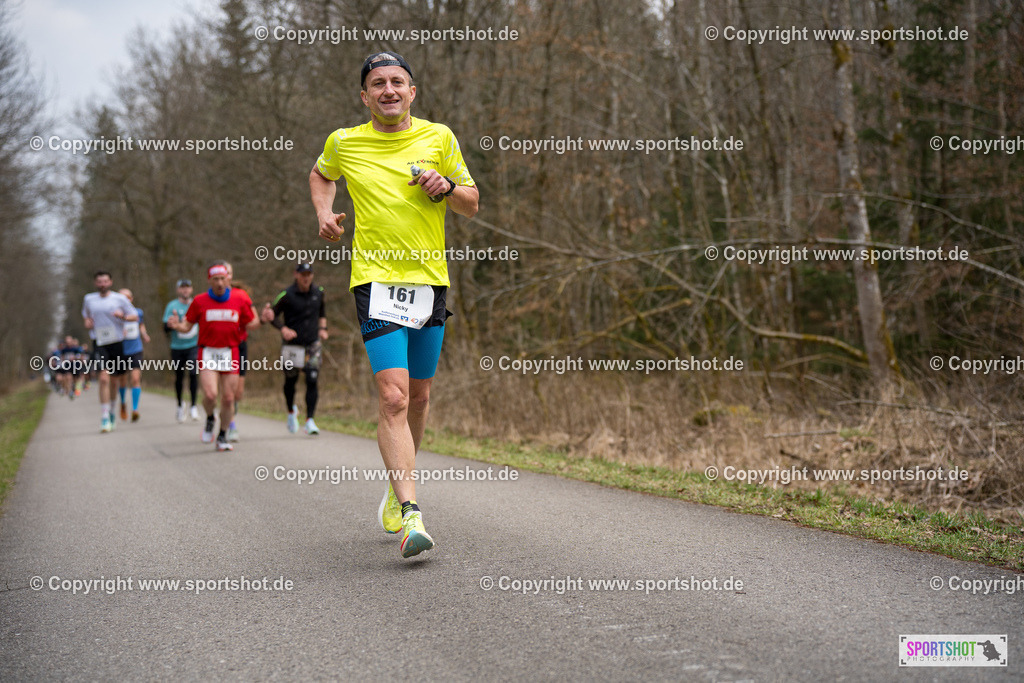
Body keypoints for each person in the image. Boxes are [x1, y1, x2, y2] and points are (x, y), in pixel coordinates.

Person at [309, 52, 478, 558]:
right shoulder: (345, 142)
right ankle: (411, 513)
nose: (388, 90)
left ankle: (395, 482)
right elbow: (321, 174)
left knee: (420, 397)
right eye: (378, 83)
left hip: (428, 281)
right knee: (394, 397)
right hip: (375, 281)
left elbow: (472, 203)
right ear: (364, 96)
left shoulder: (439, 138)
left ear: (412, 91)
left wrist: (447, 187)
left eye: (397, 82)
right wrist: (324, 212)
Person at [167, 261, 257, 451]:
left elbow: (251, 323)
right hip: (207, 351)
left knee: (228, 398)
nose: (220, 283)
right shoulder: (199, 301)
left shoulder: (239, 298)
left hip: (230, 352)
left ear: (228, 279)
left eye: (223, 278)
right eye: (215, 279)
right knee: (210, 394)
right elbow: (187, 327)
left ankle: (222, 435)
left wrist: (264, 319)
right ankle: (210, 418)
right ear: (209, 280)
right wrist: (176, 325)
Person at [260, 262, 328, 436]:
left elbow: (322, 313)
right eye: (303, 274)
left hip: (312, 344)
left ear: (312, 275)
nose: (306, 278)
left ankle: (310, 420)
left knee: (312, 379)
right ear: (296, 275)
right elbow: (272, 316)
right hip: (292, 345)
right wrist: (283, 329)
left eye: (309, 274)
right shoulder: (286, 295)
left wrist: (323, 329)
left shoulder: (319, 292)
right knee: (291, 381)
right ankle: (291, 411)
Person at [81, 270, 138, 433]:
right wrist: (87, 322)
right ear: (95, 283)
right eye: (99, 281)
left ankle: (112, 411)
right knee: (103, 378)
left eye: (105, 281)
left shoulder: (119, 299)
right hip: (99, 343)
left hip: (117, 342)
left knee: (114, 381)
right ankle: (104, 416)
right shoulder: (89, 299)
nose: (102, 284)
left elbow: (134, 316)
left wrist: (123, 317)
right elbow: (86, 316)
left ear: (110, 282)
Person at [223, 262, 258, 442]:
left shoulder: (241, 295)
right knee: (226, 391)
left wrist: (260, 320)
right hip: (219, 348)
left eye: (228, 273)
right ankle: (230, 424)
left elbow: (254, 321)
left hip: (239, 345)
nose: (226, 277)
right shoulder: (209, 298)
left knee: (237, 392)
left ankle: (228, 417)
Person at [163, 279, 200, 423]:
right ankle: (179, 405)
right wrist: (171, 324)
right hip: (177, 347)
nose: (185, 290)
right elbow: (165, 328)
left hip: (194, 345)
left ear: (191, 289)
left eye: (187, 287)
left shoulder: (196, 303)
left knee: (193, 373)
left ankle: (193, 406)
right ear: (178, 290)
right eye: (182, 288)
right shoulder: (172, 306)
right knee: (179, 377)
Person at [116, 288, 150, 422]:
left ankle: (135, 409)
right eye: (121, 298)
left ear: (131, 299)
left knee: (135, 378)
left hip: (136, 349)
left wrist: (144, 334)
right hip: (120, 350)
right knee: (122, 380)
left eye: (127, 298)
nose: (124, 300)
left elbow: (141, 324)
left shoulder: (138, 312)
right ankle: (123, 403)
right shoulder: (114, 314)